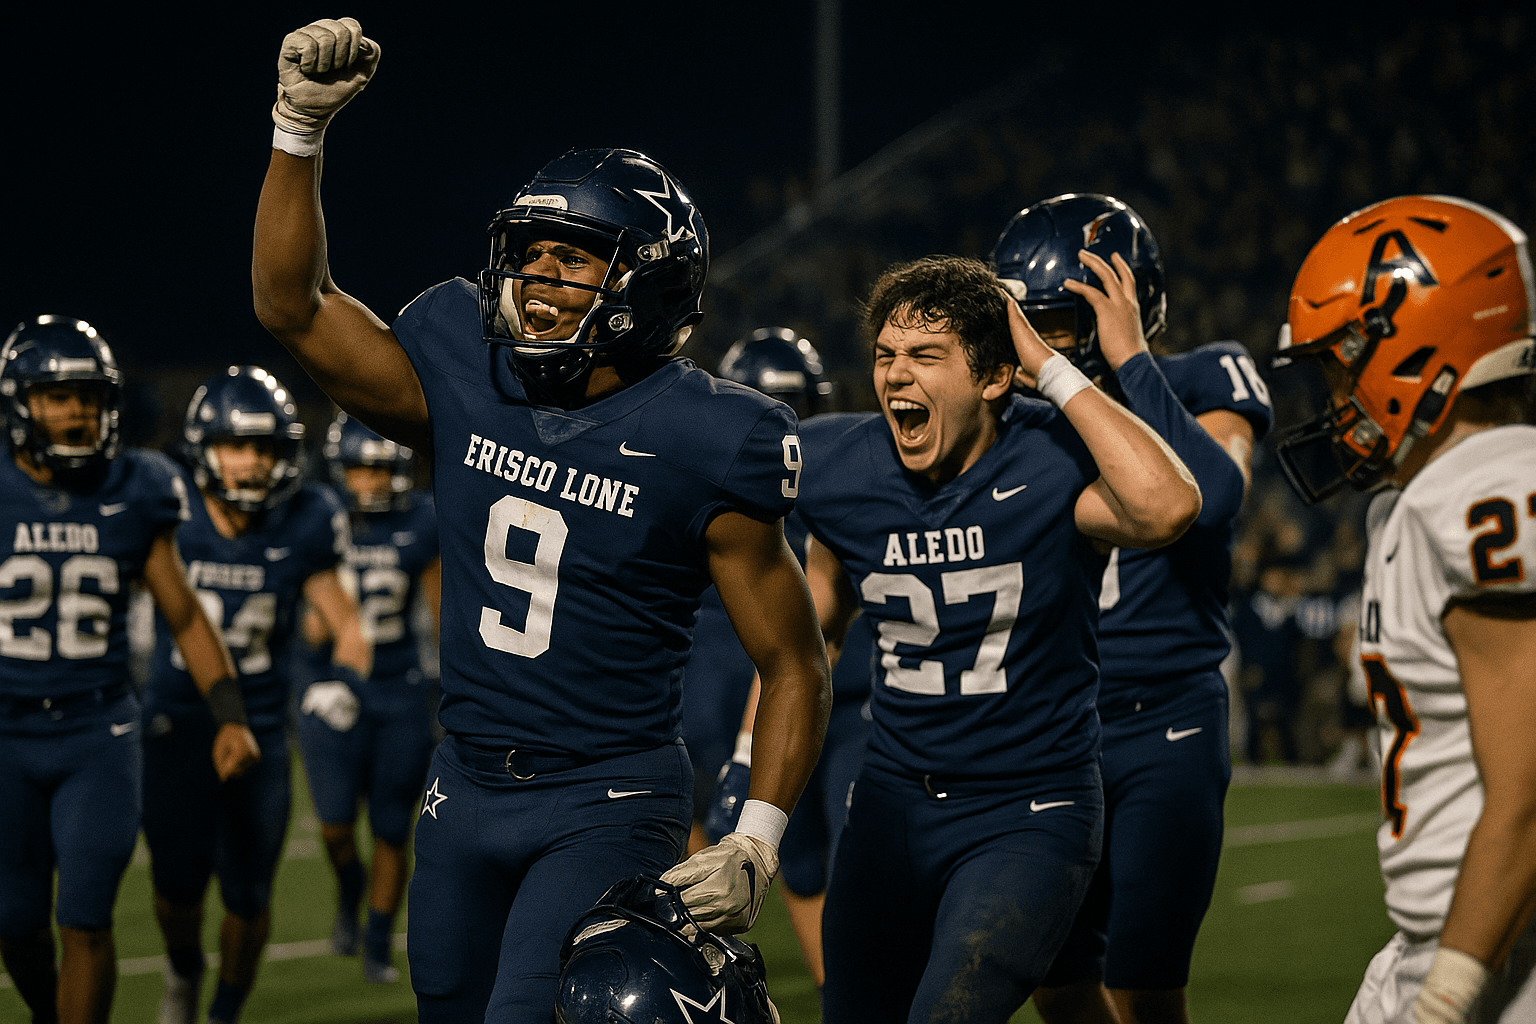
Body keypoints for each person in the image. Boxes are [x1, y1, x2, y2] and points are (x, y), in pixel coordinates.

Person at [251, 18, 830, 1023]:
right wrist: (297, 131)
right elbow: (294, 309)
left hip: (605, 798)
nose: (537, 280)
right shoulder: (462, 370)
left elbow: (793, 659)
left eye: (573, 262)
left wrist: (756, 835)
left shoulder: (707, 436)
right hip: (464, 781)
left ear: (644, 282)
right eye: (532, 255)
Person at [798, 254, 1201, 1023]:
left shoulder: (1050, 456)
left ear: (992, 376)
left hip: (1028, 809)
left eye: (924, 356)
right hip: (889, 805)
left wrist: (1046, 365)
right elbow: (814, 618)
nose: (895, 376)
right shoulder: (837, 464)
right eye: (886, 355)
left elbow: (1168, 507)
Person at [990, 193, 1272, 1024]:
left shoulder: (1201, 376)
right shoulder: (1024, 410)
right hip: (1049, 723)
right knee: (1055, 975)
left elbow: (1214, 497)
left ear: (1128, 302)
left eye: (1065, 318)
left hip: (1163, 726)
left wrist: (1129, 360)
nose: (1046, 342)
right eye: (1030, 320)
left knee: (1147, 984)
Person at [1272, 195, 1536, 1024]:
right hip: (1435, 940)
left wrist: (1448, 995)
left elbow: (1530, 784)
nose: (1333, 398)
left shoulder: (1487, 494)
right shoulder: (1414, 499)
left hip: (1496, 953)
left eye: (1338, 367)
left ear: (1409, 343)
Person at [0, 317, 257, 1024]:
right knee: (15, 924)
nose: (79, 413)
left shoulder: (138, 487)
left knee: (85, 916)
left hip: (97, 731)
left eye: (89, 397)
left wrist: (229, 714)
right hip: (6, 734)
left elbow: (184, 615)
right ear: (23, 402)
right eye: (60, 397)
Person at [141, 366, 368, 1024]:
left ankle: (225, 1011)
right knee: (175, 884)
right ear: (203, 449)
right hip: (176, 722)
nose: (253, 463)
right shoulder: (165, 502)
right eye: (239, 445)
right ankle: (184, 971)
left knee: (248, 892)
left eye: (267, 447)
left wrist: (346, 682)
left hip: (263, 728)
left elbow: (349, 623)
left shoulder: (306, 519)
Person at [698, 327, 874, 990]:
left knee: (863, 864)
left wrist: (745, 753)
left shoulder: (838, 477)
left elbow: (818, 631)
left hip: (854, 702)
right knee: (795, 862)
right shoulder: (726, 494)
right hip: (760, 696)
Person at [294, 411, 440, 984]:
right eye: (358, 470)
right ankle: (348, 889)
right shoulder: (313, 518)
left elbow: (441, 612)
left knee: (389, 827)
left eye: (380, 471)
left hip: (399, 691)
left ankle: (378, 938)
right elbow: (304, 624)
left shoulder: (421, 521)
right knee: (333, 825)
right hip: (329, 688)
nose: (369, 482)